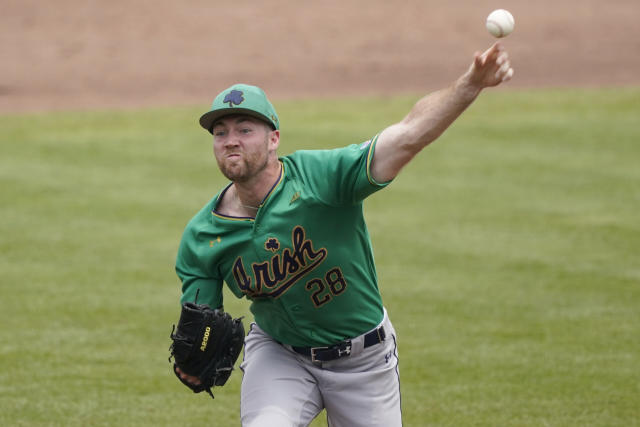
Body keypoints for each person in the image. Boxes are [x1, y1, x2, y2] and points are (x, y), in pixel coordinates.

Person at [174, 42, 513, 427]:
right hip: (279, 354)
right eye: (220, 132)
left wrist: (470, 84)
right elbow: (201, 320)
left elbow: (407, 135)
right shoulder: (203, 235)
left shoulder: (322, 178)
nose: (230, 139)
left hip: (364, 362)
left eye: (245, 129)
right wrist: (195, 357)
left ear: (274, 139)